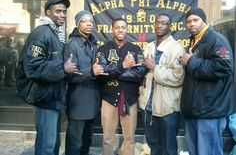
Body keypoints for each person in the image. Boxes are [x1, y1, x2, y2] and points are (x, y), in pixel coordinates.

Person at [18, 0, 78, 155]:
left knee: (52, 144)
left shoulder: (54, 33)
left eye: (64, 12)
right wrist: (63, 68)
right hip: (44, 99)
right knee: (47, 146)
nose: (62, 15)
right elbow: (32, 67)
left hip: (53, 98)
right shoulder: (42, 33)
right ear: (48, 12)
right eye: (58, 11)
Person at [180, 7, 234, 155]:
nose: (192, 24)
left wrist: (191, 61)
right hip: (194, 110)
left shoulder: (216, 39)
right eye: (189, 21)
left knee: (208, 152)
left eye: (196, 20)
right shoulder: (194, 41)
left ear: (205, 21)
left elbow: (224, 67)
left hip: (210, 111)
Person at [97, 18, 147, 155]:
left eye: (123, 27)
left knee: (129, 139)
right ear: (112, 29)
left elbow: (140, 73)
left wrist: (114, 72)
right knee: (107, 139)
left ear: (127, 29)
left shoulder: (136, 50)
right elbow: (101, 73)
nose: (120, 30)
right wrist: (124, 67)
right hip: (109, 99)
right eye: (117, 27)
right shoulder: (103, 49)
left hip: (129, 99)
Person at [139, 13, 185, 155]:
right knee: (154, 147)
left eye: (164, 23)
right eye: (157, 22)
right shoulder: (149, 46)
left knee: (168, 148)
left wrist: (155, 67)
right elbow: (144, 75)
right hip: (148, 106)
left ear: (170, 26)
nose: (159, 25)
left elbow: (178, 78)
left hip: (167, 109)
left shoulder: (177, 48)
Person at [64, 10, 106, 155]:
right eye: (84, 21)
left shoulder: (93, 43)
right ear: (77, 24)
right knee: (75, 143)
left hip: (92, 101)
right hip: (78, 102)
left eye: (91, 21)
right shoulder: (71, 45)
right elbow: (70, 76)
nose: (88, 24)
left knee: (87, 141)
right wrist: (92, 71)